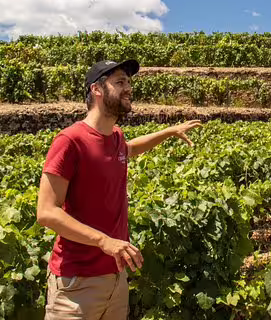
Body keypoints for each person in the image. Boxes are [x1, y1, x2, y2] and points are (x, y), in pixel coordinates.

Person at [37, 59, 202, 319]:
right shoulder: (70, 141)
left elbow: (132, 148)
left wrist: (170, 131)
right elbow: (46, 212)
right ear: (97, 90)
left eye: (129, 82)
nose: (129, 88)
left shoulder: (116, 138)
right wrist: (104, 241)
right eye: (120, 82)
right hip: (76, 284)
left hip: (115, 278)